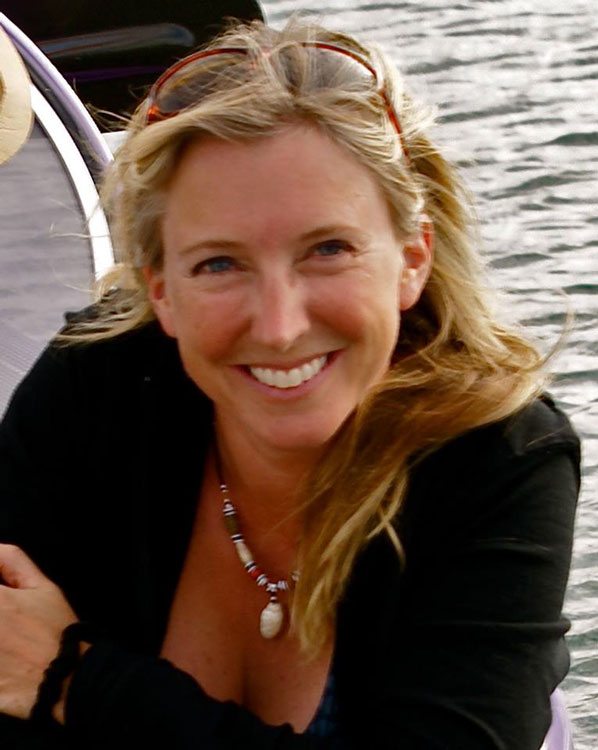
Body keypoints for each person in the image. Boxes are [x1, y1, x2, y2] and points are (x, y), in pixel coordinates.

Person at [0, 19, 580, 750]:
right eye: (218, 264)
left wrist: (78, 683)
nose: (279, 327)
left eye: (327, 250)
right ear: (161, 289)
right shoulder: (98, 387)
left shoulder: (496, 453)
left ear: (413, 258)